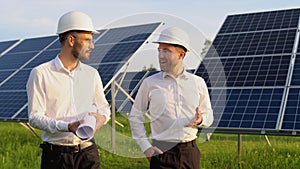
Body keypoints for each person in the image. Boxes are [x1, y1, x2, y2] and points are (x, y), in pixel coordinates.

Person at [26, 11, 111, 169]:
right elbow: (34, 117)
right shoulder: (41, 73)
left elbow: (104, 107)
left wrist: (102, 119)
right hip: (56, 158)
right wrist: (66, 126)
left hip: (88, 154)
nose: (92, 46)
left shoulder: (91, 74)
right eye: (87, 40)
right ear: (71, 40)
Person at [129, 27, 213, 169]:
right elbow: (135, 116)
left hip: (189, 152)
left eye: (166, 51)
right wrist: (145, 147)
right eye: (159, 50)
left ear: (181, 55)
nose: (160, 56)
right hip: (161, 152)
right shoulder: (150, 83)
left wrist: (201, 120)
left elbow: (209, 115)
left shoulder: (198, 83)